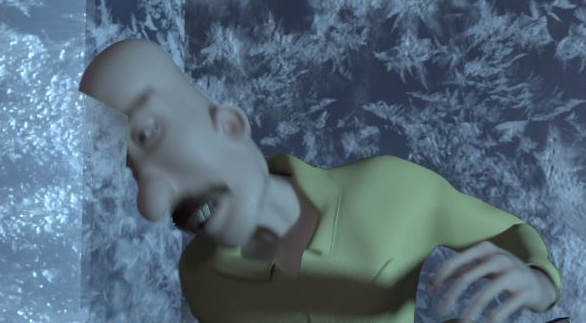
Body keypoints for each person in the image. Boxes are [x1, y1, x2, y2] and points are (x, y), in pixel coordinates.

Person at [79, 38, 561, 323]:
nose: (151, 203)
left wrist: (538, 282)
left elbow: (508, 231)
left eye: (148, 134)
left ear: (229, 124)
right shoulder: (201, 280)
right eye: (131, 173)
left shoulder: (391, 190)